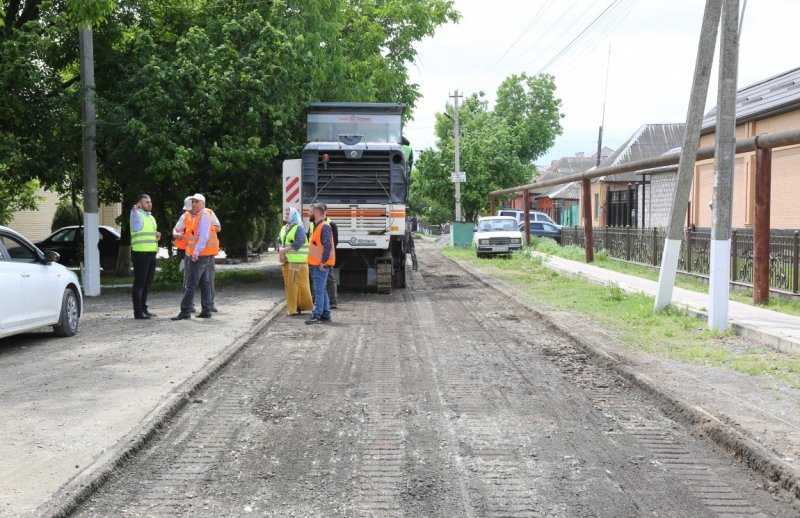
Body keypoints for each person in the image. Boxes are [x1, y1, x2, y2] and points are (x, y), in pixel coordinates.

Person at [171, 194, 219, 320]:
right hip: (204, 254)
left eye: (196, 202)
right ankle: (206, 311)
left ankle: (185, 311)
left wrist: (196, 253)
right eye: (193, 201)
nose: (193, 204)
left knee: (190, 284)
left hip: (199, 255)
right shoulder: (199, 215)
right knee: (205, 283)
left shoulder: (203, 216)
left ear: (203, 203)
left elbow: (203, 237)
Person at [277, 207, 313, 316]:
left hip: (297, 263)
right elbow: (278, 240)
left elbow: (299, 242)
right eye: (286, 213)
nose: (286, 215)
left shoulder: (299, 227)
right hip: (287, 262)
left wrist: (284, 251)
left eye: (288, 213)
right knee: (289, 285)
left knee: (295, 286)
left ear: (294, 215)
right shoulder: (284, 227)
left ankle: (293, 309)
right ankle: (296, 306)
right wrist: (281, 252)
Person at [130, 194, 161, 320]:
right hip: (140, 254)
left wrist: (157, 235)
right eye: (146, 202)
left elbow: (150, 234)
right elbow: (134, 212)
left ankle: (144, 309)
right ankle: (138, 312)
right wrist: (135, 208)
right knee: (139, 284)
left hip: (151, 254)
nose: (150, 204)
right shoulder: (136, 214)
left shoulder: (151, 218)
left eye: (150, 201)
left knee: (147, 284)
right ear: (140, 204)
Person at [306, 203, 334, 324]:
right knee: (322, 290)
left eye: (312, 212)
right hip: (316, 264)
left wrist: (323, 262)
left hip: (319, 265)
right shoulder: (317, 226)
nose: (310, 214)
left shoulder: (324, 227)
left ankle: (316, 315)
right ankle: (326, 315)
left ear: (318, 213)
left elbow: (328, 245)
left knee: (318, 291)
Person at [307, 209, 339, 308]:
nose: (309, 213)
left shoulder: (328, 224)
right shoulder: (313, 225)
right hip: (315, 261)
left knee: (326, 283)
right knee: (320, 288)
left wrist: (324, 260)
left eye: (311, 211)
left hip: (323, 261)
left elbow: (331, 244)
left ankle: (330, 303)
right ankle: (324, 311)